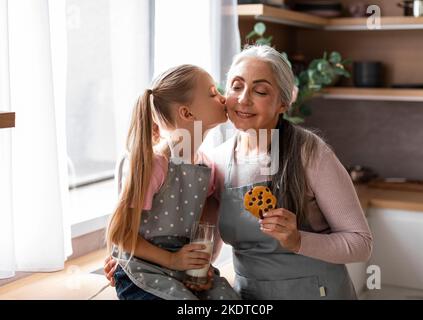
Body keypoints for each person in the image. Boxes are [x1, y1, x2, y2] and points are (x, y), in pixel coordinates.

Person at [106, 45, 373, 300]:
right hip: (248, 297)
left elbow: (360, 244)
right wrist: (132, 261)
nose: (243, 100)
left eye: (260, 91)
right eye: (236, 87)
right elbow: (202, 242)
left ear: (284, 101)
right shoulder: (214, 164)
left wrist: (298, 240)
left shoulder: (311, 153)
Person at [106, 64, 240, 300]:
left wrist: (200, 270)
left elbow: (203, 235)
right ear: (187, 114)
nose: (223, 98)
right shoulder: (155, 165)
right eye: (212, 93)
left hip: (180, 270)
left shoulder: (206, 169)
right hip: (142, 270)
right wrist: (172, 260)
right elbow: (120, 234)